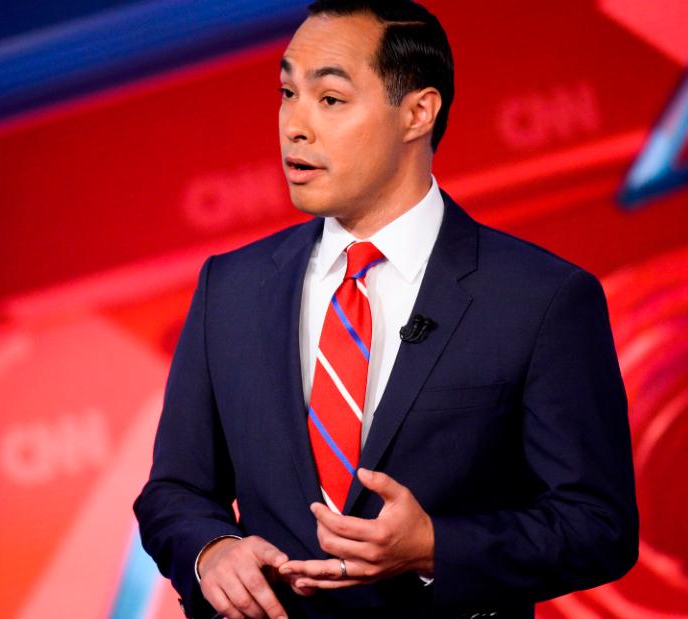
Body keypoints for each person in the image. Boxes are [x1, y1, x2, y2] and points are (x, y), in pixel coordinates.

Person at [132, 1, 638, 617]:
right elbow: (175, 491)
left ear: (418, 113)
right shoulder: (230, 287)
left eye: (330, 100)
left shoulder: (542, 298)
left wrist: (434, 547)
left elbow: (598, 526)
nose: (294, 125)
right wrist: (210, 550)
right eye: (287, 93)